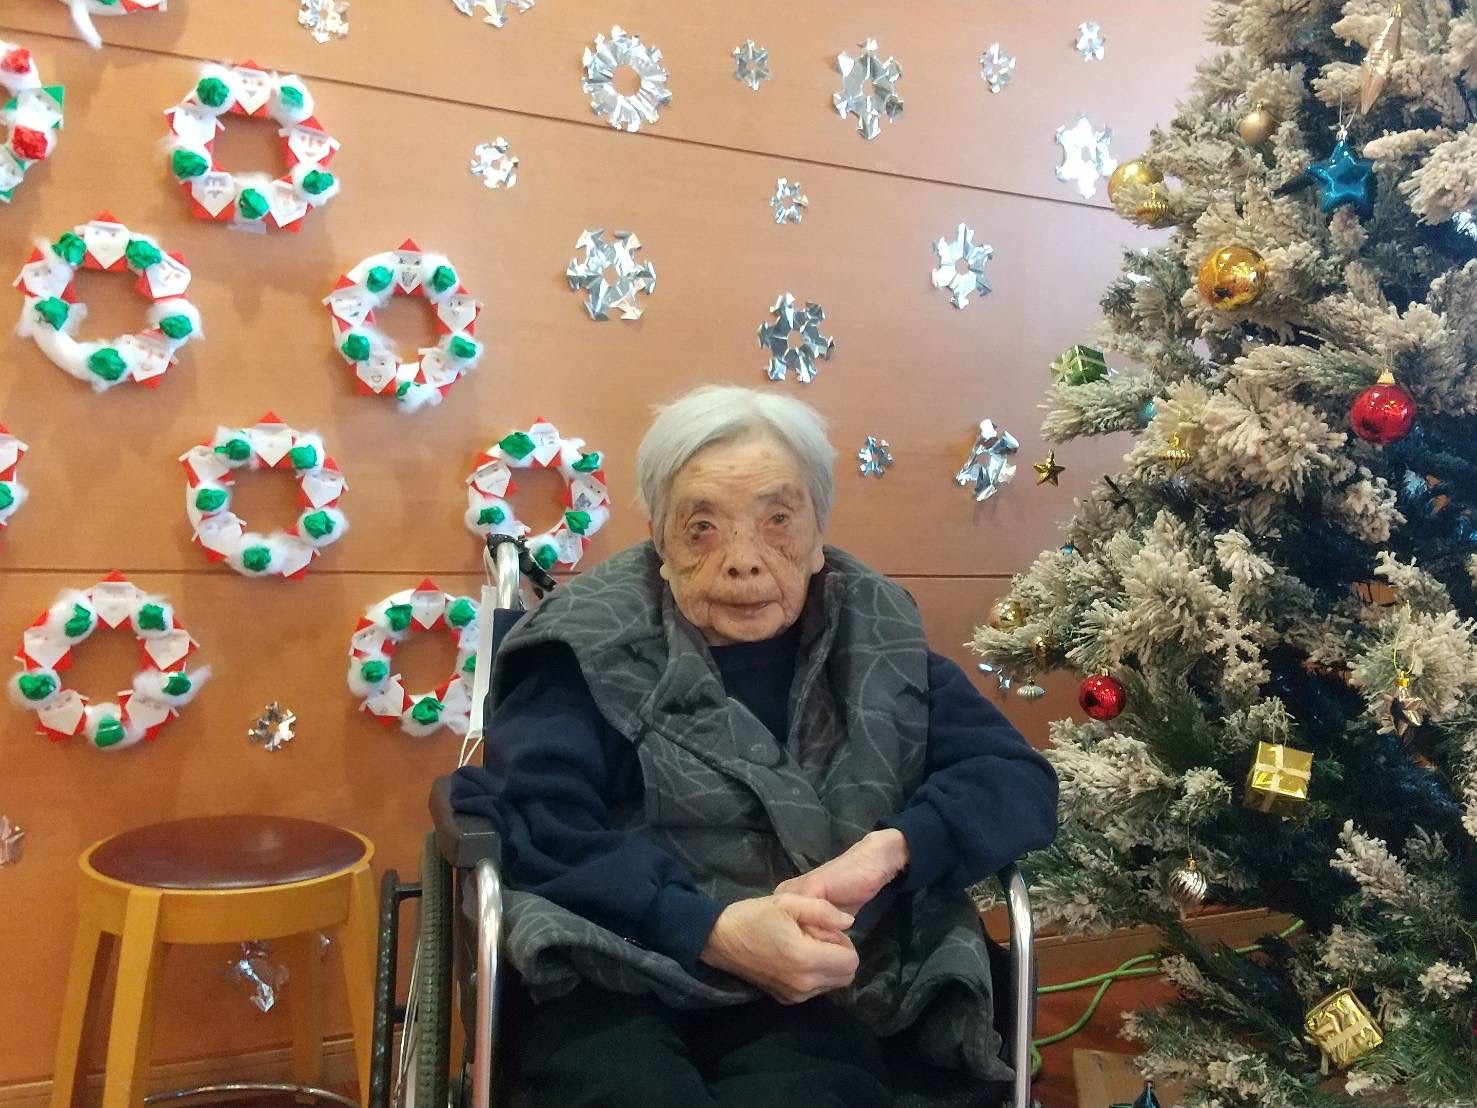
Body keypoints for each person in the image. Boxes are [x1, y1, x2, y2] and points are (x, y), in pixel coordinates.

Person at [451, 385, 1058, 1107]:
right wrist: (705, 927)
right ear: (660, 541)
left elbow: (1011, 778)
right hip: (613, 962)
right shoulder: (582, 647)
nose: (742, 560)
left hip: (824, 979)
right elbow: (540, 821)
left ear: (817, 533)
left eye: (776, 521)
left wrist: (888, 851)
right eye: (702, 527)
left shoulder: (876, 636)